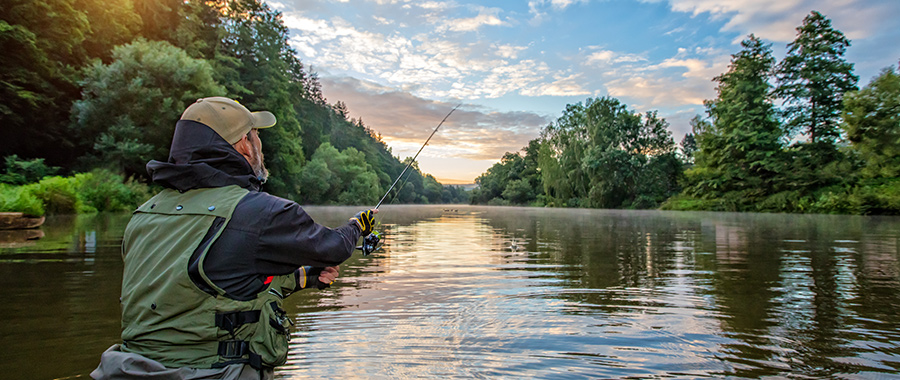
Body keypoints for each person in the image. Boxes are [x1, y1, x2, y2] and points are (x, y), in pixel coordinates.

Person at [91, 97, 376, 380]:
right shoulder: (261, 212)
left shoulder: (144, 215)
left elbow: (207, 282)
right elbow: (334, 249)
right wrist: (355, 226)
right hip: (216, 373)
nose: (259, 145)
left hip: (128, 368)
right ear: (243, 144)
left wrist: (305, 277)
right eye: (256, 136)